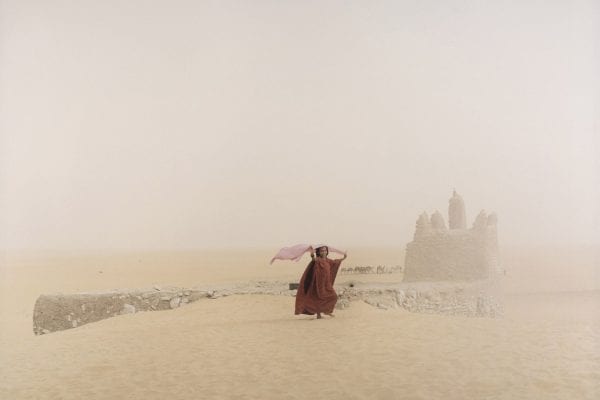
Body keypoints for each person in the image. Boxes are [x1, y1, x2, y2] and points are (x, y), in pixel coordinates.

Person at [295, 246, 347, 319]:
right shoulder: (318, 260)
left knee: (333, 296)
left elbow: (335, 262)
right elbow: (313, 260)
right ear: (319, 252)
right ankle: (319, 315)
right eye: (322, 251)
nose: (324, 252)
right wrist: (312, 255)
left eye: (325, 250)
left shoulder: (328, 260)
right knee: (318, 298)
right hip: (318, 283)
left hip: (326, 283)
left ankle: (327, 311)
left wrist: (343, 258)